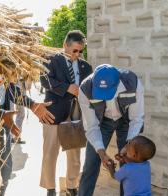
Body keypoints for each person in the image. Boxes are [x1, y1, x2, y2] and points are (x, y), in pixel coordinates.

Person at [78, 64, 144, 196]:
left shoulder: (133, 82)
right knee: (91, 163)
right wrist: (101, 153)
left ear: (118, 81)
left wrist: (128, 145)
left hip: (127, 121)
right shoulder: (85, 89)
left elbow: (136, 119)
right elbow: (91, 126)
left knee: (128, 163)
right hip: (101, 122)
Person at [40, 30, 92, 196]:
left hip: (76, 112)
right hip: (53, 112)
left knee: (74, 152)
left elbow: (90, 89)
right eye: (74, 50)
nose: (77, 54)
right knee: (50, 153)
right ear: (65, 45)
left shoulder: (86, 66)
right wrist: (67, 88)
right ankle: (50, 188)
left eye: (80, 51)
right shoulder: (50, 60)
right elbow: (45, 80)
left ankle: (72, 185)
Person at [0, 82, 55, 196]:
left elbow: (10, 90)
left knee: (4, 171)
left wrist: (33, 105)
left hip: (3, 123)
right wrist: (1, 114)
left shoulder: (0, 70)